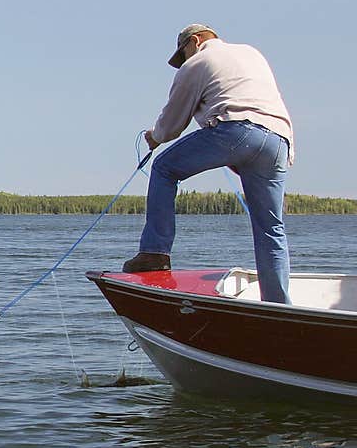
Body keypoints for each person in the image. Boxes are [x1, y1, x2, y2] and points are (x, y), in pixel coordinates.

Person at [123, 23, 294, 304]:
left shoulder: (198, 62)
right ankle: (278, 305)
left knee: (164, 169)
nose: (183, 62)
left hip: (236, 130)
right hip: (278, 140)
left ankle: (154, 253)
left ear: (195, 41)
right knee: (270, 228)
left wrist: (154, 137)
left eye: (183, 54)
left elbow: (171, 125)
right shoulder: (251, 53)